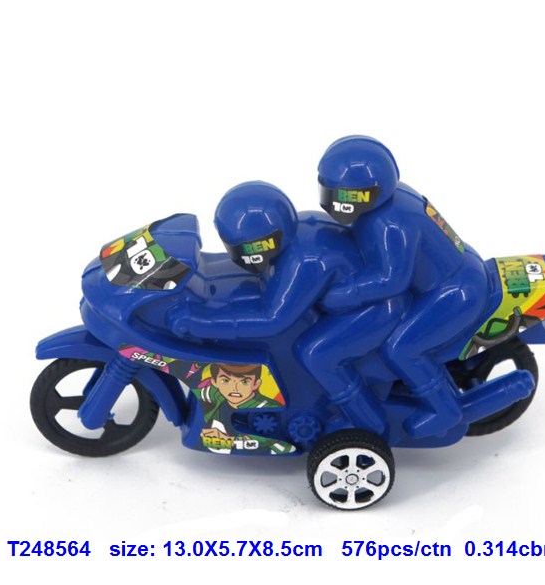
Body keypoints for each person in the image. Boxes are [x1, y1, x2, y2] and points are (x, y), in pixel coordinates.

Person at [169, 181, 405, 434]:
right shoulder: (291, 235)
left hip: (374, 310)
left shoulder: (305, 261)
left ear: (269, 241)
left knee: (316, 354)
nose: (244, 256)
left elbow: (272, 319)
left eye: (252, 248)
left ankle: (368, 422)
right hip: (350, 304)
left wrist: (204, 322)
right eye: (236, 249)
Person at [318, 135, 489, 438]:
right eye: (328, 190)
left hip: (452, 292)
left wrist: (344, 293)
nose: (334, 200)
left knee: (401, 348)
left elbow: (392, 280)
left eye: (342, 195)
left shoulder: (390, 224)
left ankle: (445, 410)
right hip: (456, 275)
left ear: (366, 194)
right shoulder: (388, 203)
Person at [196, 362, 293, 455]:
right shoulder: (217, 394)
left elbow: (267, 439)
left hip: (269, 451)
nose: (234, 388)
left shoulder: (266, 406)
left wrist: (231, 441)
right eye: (225, 381)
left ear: (256, 384)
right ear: (214, 382)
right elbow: (194, 385)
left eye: (244, 382)